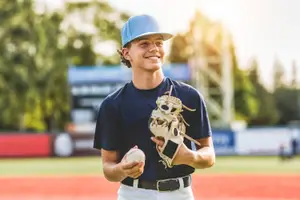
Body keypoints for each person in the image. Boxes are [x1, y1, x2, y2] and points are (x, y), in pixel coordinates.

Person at [93, 14, 215, 200]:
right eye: (144, 43)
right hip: (133, 194)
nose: (154, 49)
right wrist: (122, 169)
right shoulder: (113, 105)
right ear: (127, 53)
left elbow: (209, 155)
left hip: (180, 194)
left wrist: (189, 156)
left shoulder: (189, 96)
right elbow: (108, 168)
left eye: (158, 42)